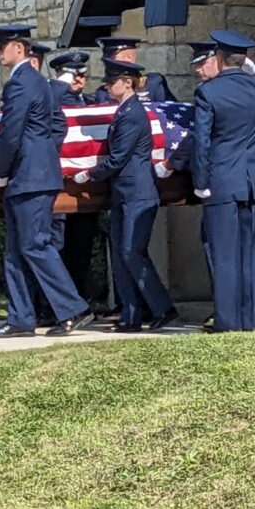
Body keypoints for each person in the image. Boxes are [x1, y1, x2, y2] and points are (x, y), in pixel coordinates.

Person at [0, 22, 94, 338]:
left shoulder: (20, 84)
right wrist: (45, 152)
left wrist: (2, 169)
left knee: (35, 245)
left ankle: (74, 308)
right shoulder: (43, 85)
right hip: (37, 174)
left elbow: (11, 132)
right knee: (16, 250)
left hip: (27, 177)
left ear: (18, 49)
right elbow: (58, 125)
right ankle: (21, 317)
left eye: (1, 46)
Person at [192, 30, 255, 333]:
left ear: (219, 59)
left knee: (224, 252)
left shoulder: (208, 93)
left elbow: (202, 143)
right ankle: (252, 319)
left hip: (222, 180)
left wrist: (200, 181)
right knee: (252, 252)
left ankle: (227, 320)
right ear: (243, 59)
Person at [74, 58, 177, 332]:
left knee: (132, 252)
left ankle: (163, 307)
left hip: (138, 193)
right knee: (120, 254)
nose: (107, 86)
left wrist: (89, 174)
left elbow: (119, 157)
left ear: (127, 82)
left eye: (112, 82)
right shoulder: (123, 111)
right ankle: (130, 316)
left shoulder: (133, 114)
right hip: (123, 193)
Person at [154, 40, 218, 326]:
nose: (199, 72)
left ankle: (225, 307)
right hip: (244, 179)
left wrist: (173, 164)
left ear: (218, 60)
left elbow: (199, 138)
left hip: (216, 181)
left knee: (215, 244)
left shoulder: (209, 93)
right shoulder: (247, 87)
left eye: (203, 64)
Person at [92, 37, 175, 104]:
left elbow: (169, 113)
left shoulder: (153, 84)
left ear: (129, 58)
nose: (107, 62)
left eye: (112, 58)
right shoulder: (103, 92)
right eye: (106, 59)